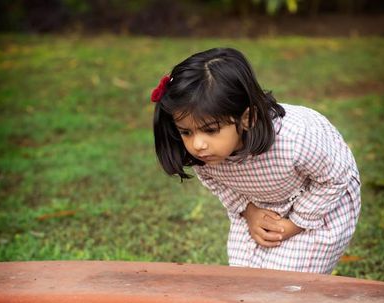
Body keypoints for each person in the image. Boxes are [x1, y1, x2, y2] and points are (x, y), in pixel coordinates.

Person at [152, 47, 361, 274]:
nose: (197, 145)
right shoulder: (205, 156)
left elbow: (335, 178)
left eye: (210, 130)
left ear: (247, 118)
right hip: (261, 203)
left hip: (321, 200)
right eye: (186, 132)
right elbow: (218, 183)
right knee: (246, 278)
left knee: (287, 282)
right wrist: (249, 211)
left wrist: (295, 223)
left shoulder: (294, 140)